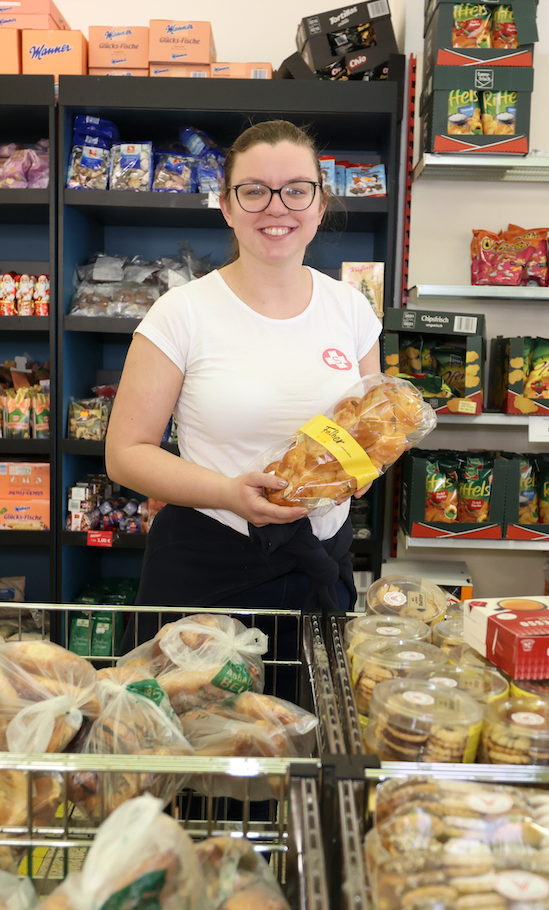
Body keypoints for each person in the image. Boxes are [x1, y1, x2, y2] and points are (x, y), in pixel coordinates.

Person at [105, 120, 381, 649]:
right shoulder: (181, 312)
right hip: (209, 569)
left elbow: (368, 427)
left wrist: (361, 470)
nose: (277, 207)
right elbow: (125, 454)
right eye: (254, 191)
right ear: (227, 206)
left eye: (296, 190)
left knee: (312, 728)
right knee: (203, 729)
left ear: (320, 204)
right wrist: (231, 495)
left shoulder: (351, 308)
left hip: (321, 566)